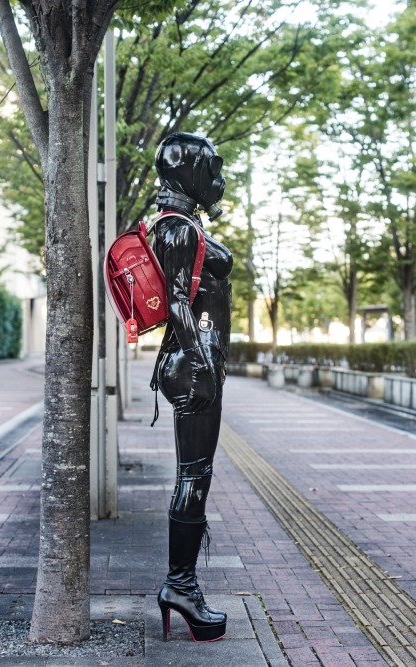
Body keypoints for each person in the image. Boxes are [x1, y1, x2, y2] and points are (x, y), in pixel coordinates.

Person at [150, 132, 233, 643]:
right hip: (193, 366)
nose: (217, 176)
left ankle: (182, 585)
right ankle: (180, 584)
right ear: (188, 171)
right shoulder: (177, 228)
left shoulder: (180, 224)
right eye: (210, 166)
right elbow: (180, 303)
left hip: (194, 363)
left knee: (195, 473)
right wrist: (203, 366)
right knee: (194, 474)